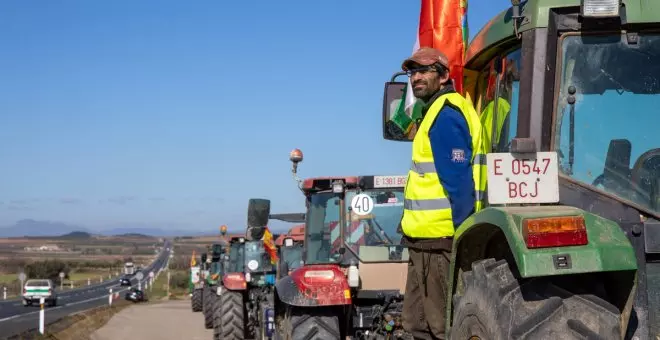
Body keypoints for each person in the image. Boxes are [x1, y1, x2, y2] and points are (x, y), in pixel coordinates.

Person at [398, 47, 488, 340]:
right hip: (425, 243)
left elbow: (459, 184)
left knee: (440, 328)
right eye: (412, 72)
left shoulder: (446, 115)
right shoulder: (435, 112)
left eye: (425, 71)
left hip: (441, 242)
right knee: (418, 325)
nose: (417, 78)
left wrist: (462, 238)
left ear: (445, 76)